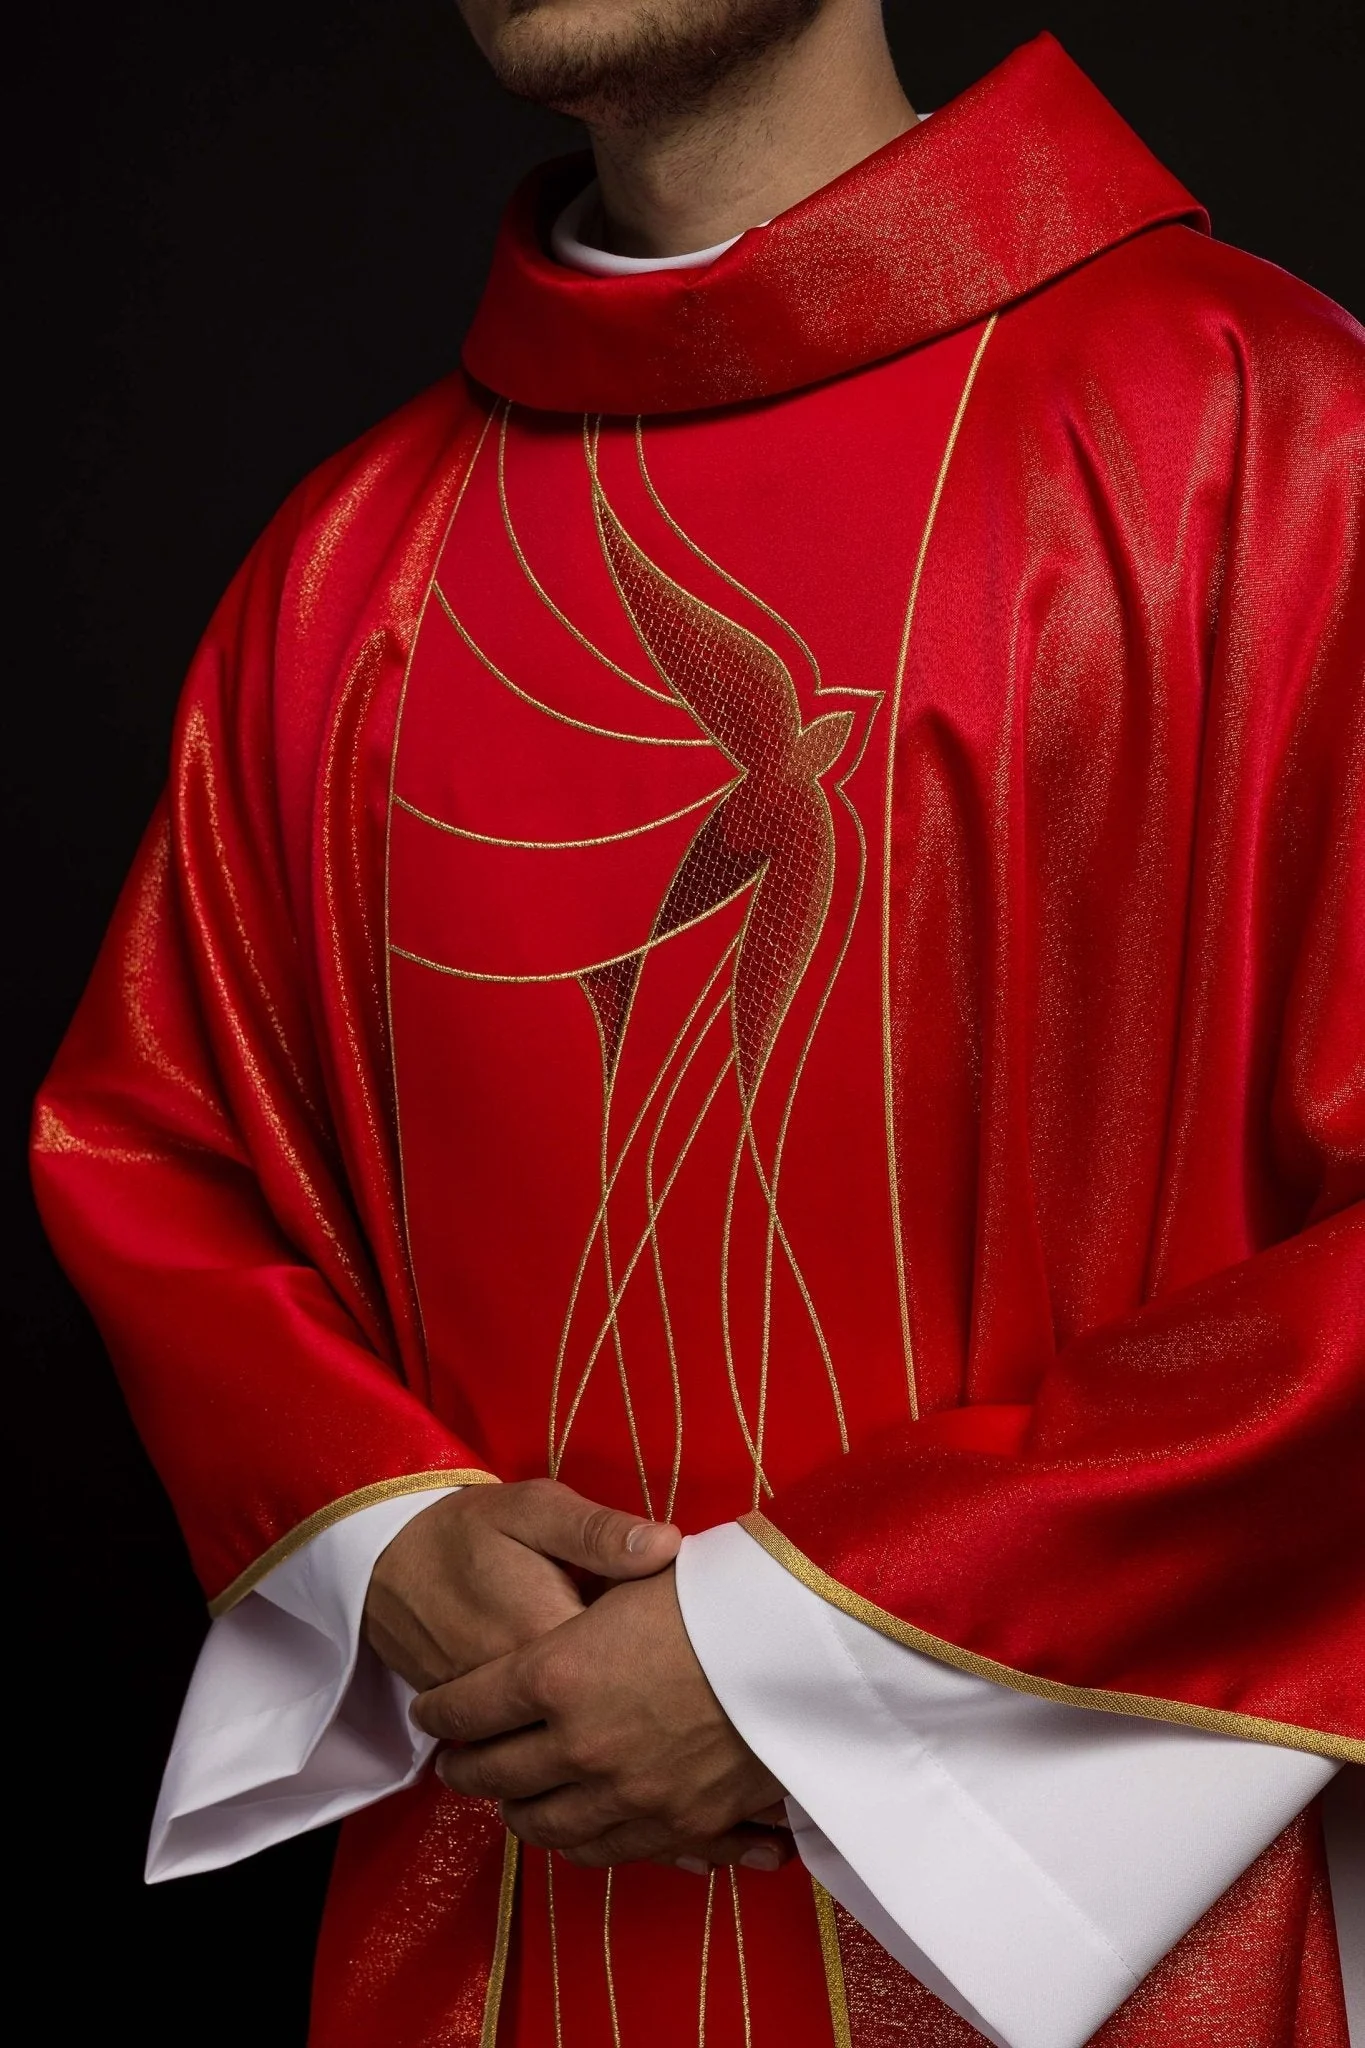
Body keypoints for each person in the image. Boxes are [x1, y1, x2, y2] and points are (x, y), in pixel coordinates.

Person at [32, 2, 1363, 2044]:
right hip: (497, 1920)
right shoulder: (348, 572)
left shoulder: (1268, 441)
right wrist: (383, 1538)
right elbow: (158, 1144)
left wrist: (808, 1667)